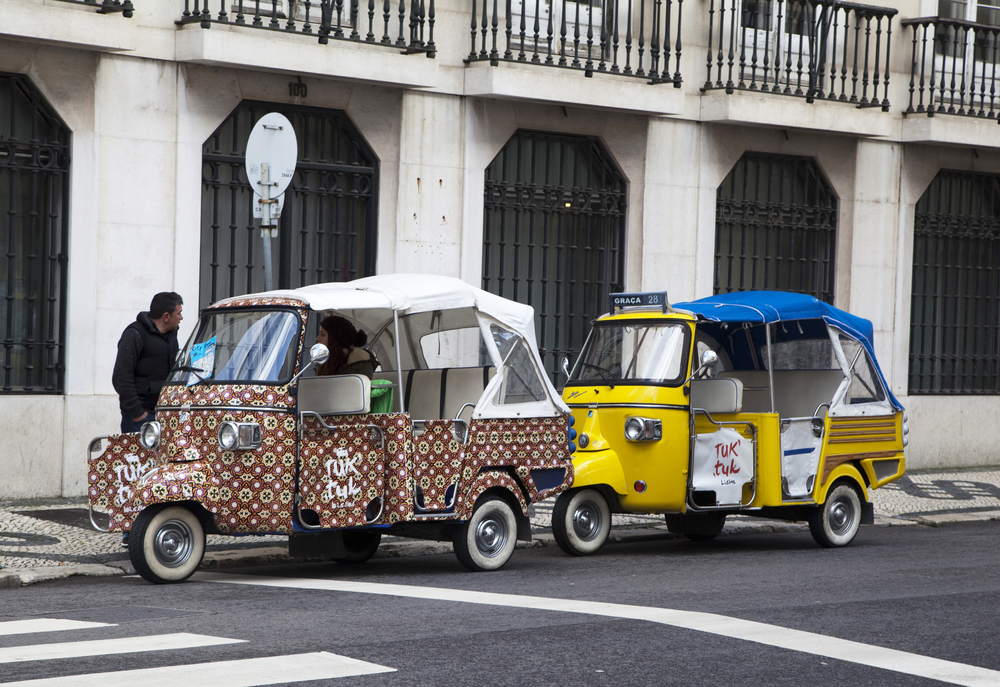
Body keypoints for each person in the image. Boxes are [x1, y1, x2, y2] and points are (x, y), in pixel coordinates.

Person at [112, 292, 184, 434]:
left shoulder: (171, 336)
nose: (181, 318)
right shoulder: (135, 334)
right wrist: (138, 413)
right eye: (179, 313)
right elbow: (121, 377)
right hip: (140, 418)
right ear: (166, 316)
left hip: (164, 414)